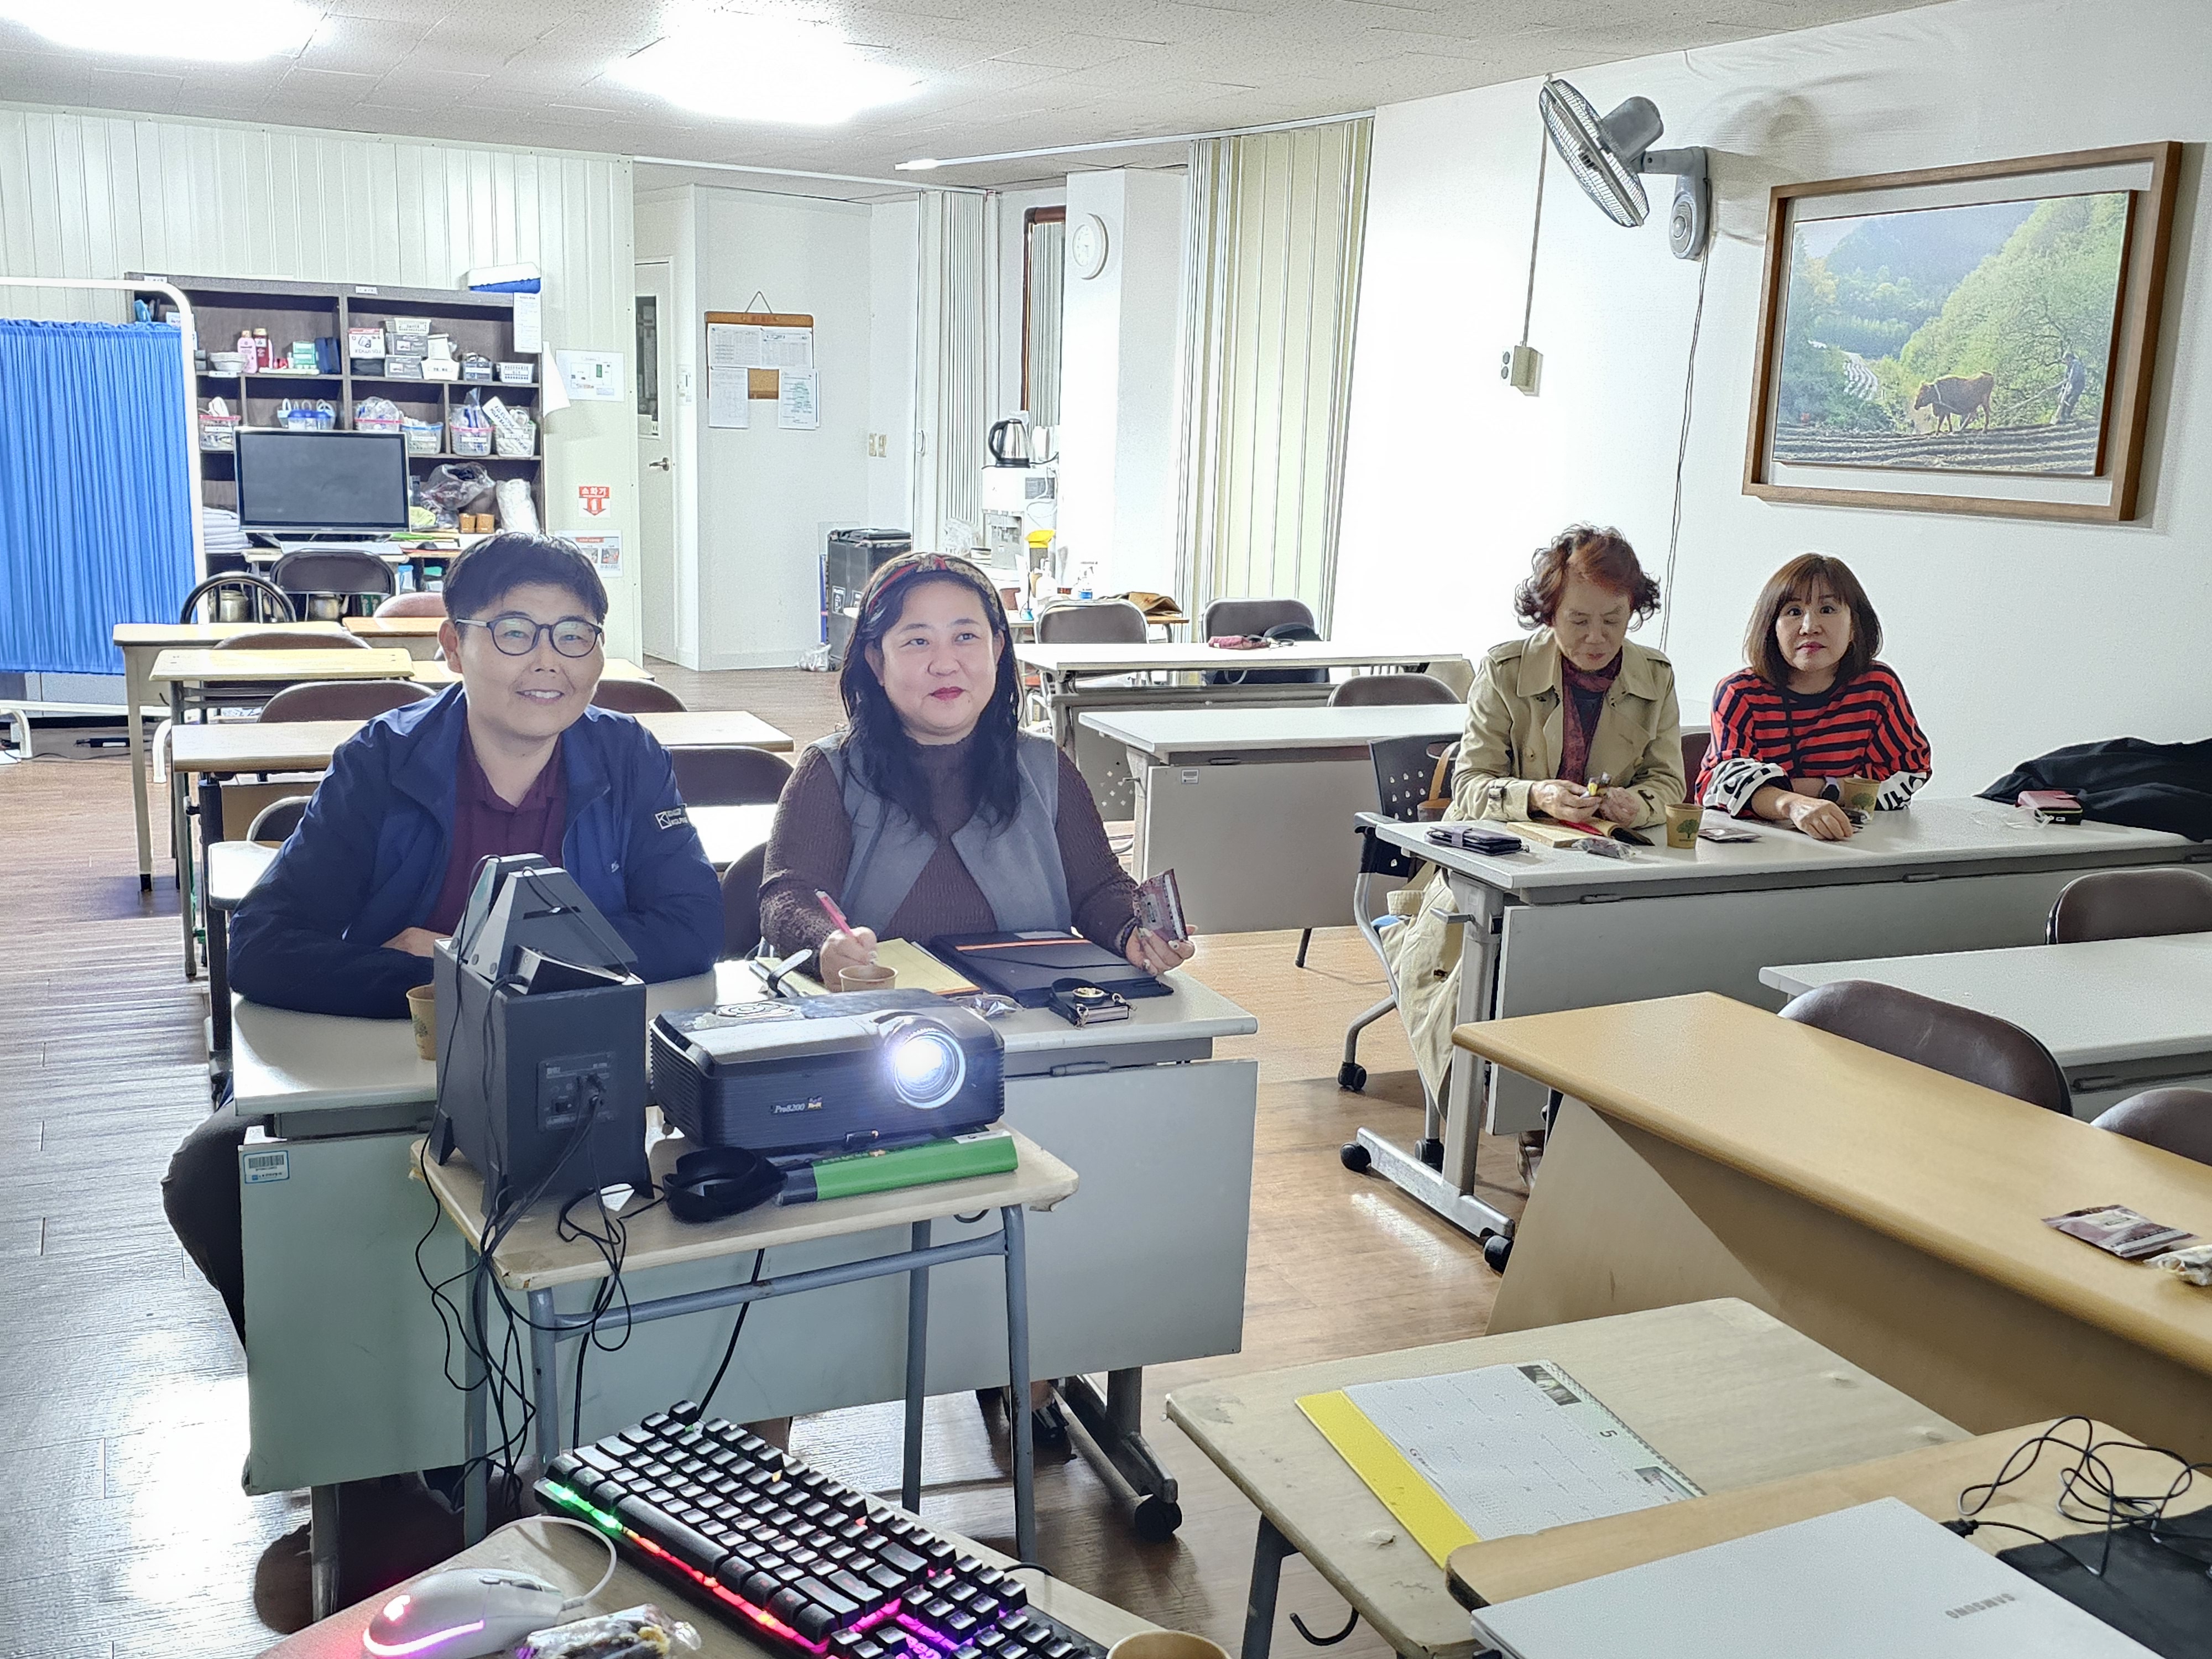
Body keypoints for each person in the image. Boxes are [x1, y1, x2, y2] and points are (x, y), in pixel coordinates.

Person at [165, 533, 721, 1340]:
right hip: (401, 1061)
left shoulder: (627, 755)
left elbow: (693, 927)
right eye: (514, 631)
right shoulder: (382, 762)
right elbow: (261, 944)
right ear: (454, 646)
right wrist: (451, 987)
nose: (549, 660)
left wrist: (463, 961)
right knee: (210, 1176)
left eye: (575, 635)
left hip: (573, 1068)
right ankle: (330, 1384)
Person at [760, 549, 1191, 983]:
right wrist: (826, 944)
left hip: (1030, 1013)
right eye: (917, 641)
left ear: (997, 649)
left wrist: (1133, 933)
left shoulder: (1044, 767)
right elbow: (787, 897)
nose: (945, 664)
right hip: (882, 1015)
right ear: (877, 661)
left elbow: (1098, 888)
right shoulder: (831, 772)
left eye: (965, 637)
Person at [1381, 525, 1685, 1130]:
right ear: (1548, 612)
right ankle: (1512, 1114)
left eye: (1614, 620)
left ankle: (1589, 1113)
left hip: (1602, 867)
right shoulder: (1505, 669)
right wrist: (1537, 794)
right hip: (1495, 868)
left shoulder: (1655, 675)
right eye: (1578, 621)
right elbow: (1469, 787)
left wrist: (1637, 804)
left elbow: (1669, 784)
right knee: (1505, 961)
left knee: (1638, 957)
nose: (1597, 637)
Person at [1697, 552, 1932, 841]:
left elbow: (1909, 772)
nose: (1810, 626)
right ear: (1771, 628)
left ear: (1854, 626)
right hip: (1759, 848)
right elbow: (1721, 784)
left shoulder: (1877, 688)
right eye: (1794, 611)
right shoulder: (1740, 692)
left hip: (1856, 845)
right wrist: (1792, 804)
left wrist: (1822, 788)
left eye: (1828, 609)